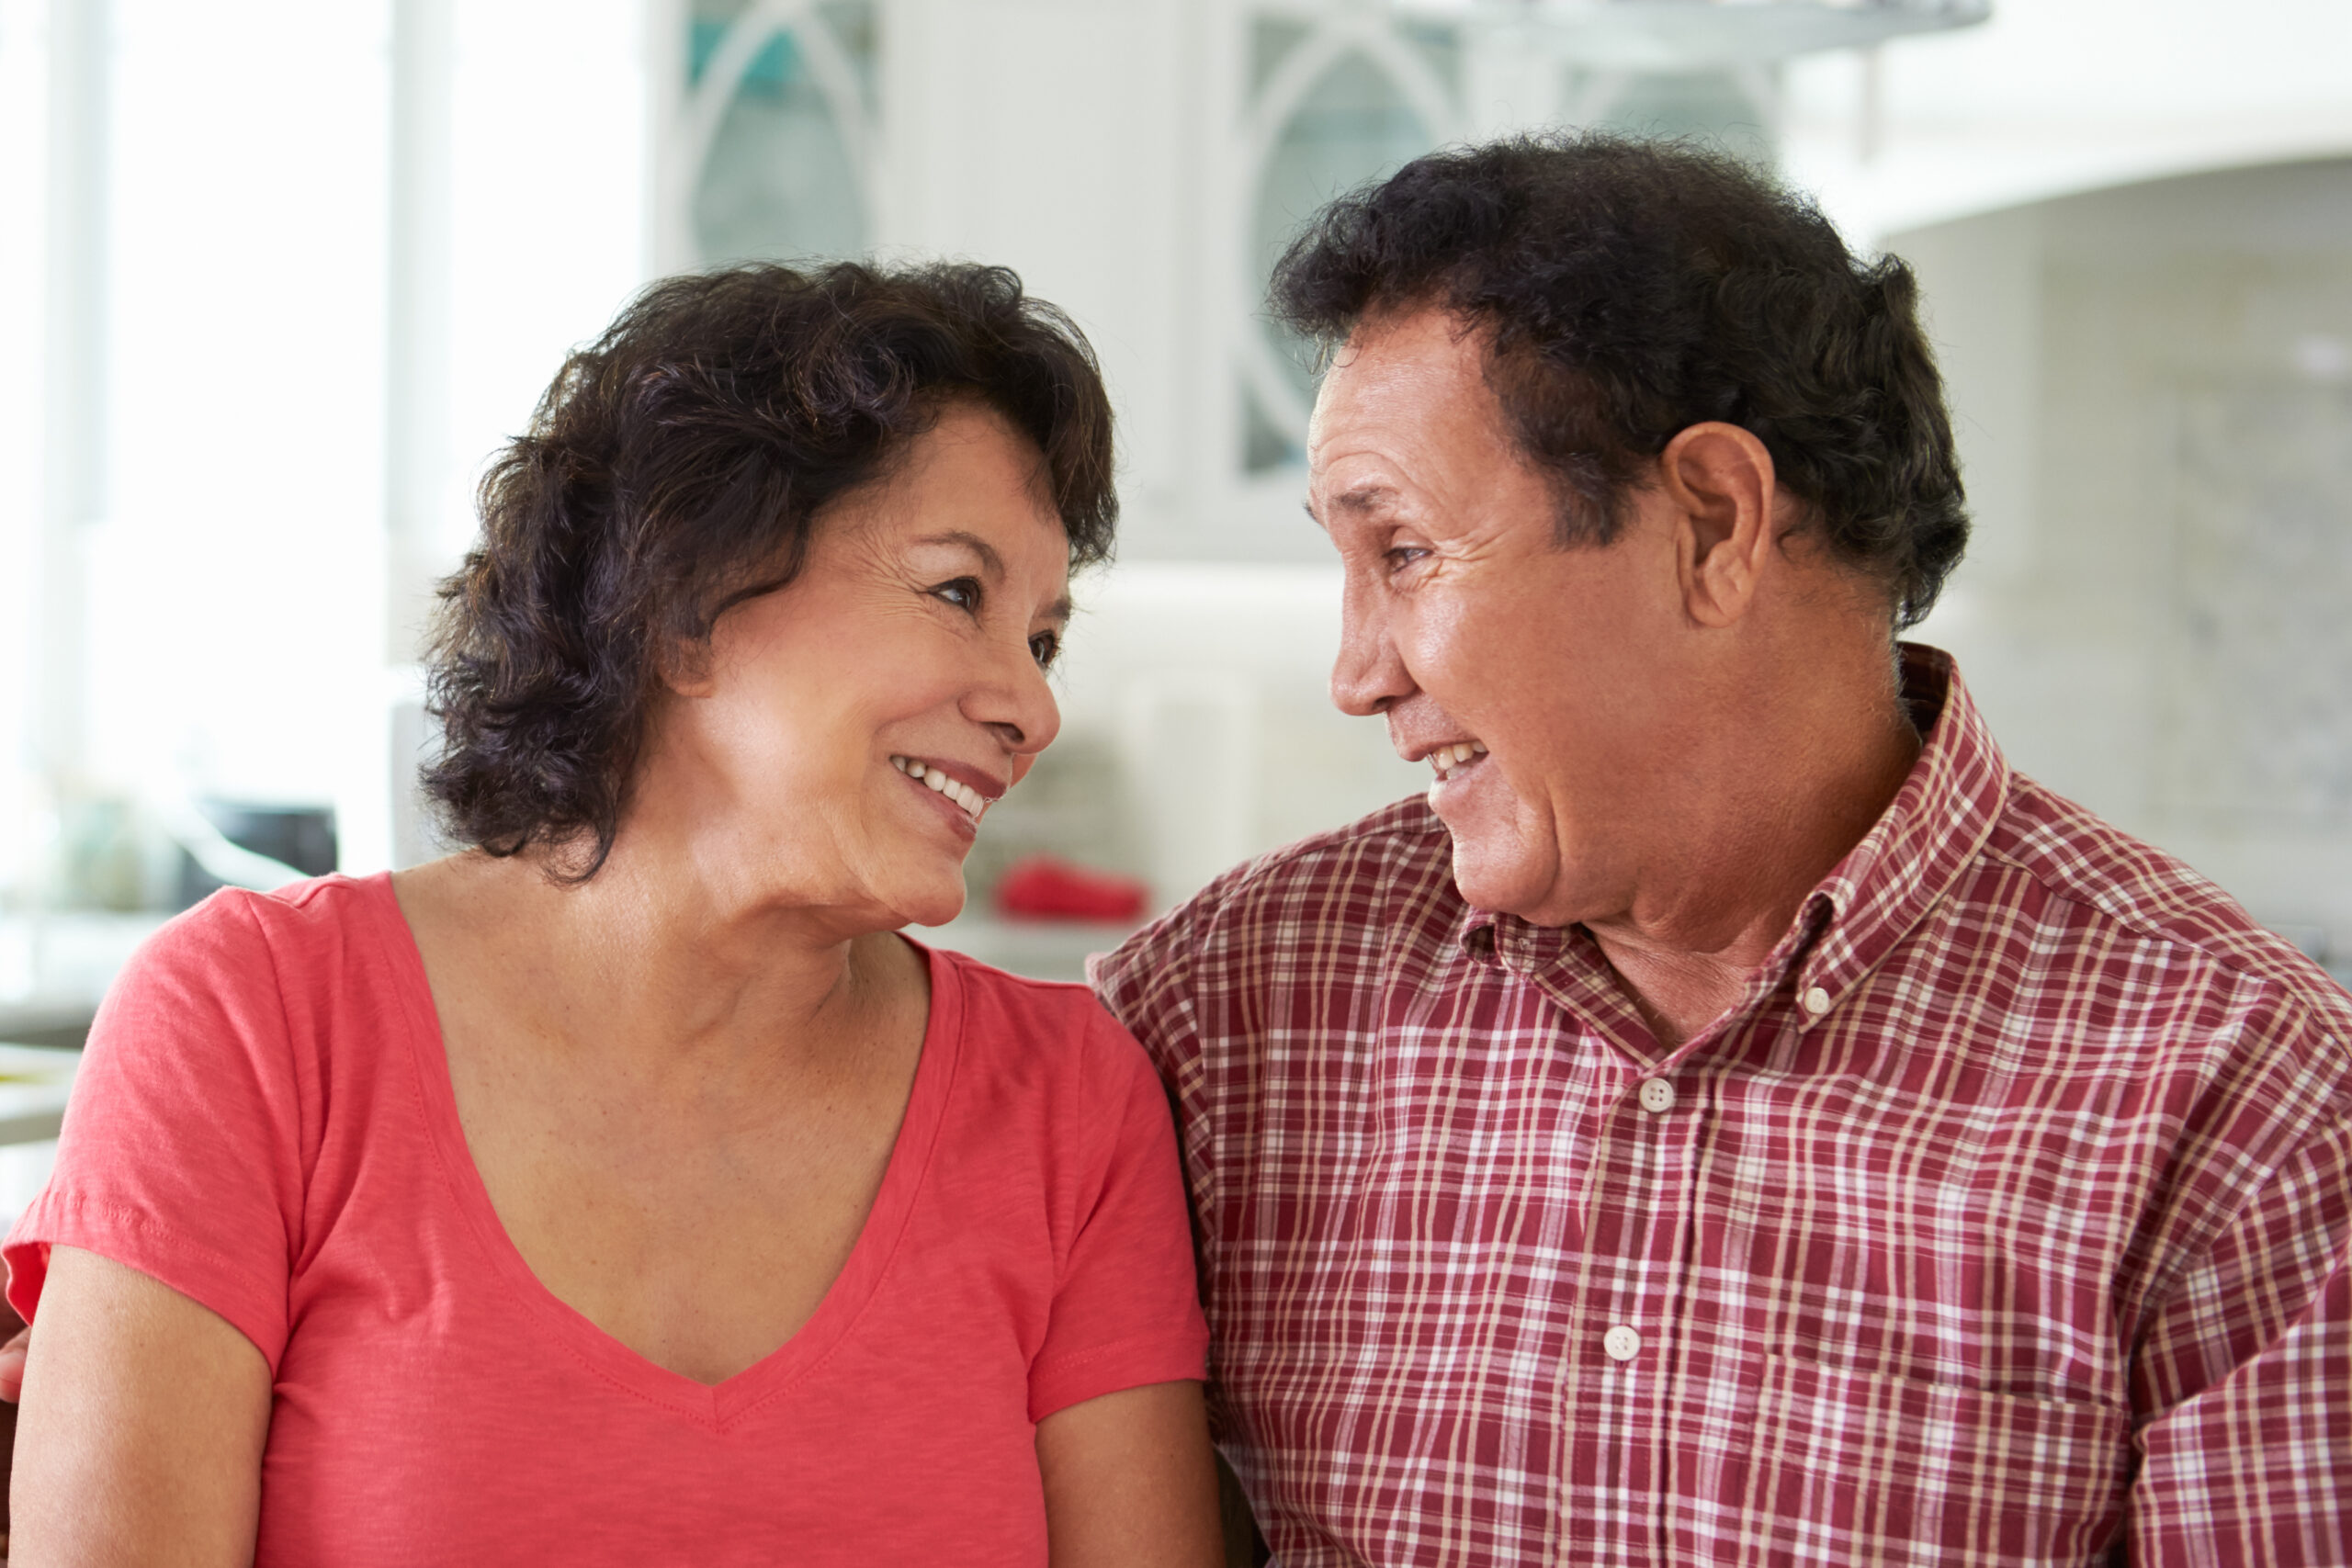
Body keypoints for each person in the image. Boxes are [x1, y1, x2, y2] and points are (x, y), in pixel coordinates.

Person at [1091, 135, 2352, 1565]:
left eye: (1407, 552)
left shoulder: (2248, 1107)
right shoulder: (1220, 1014)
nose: (1358, 671)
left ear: (1712, 522)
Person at [2, 263, 1223, 1566]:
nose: (1031, 709)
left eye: (1042, 639)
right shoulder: (256, 1019)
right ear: (685, 608)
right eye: (956, 593)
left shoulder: (1069, 1103)